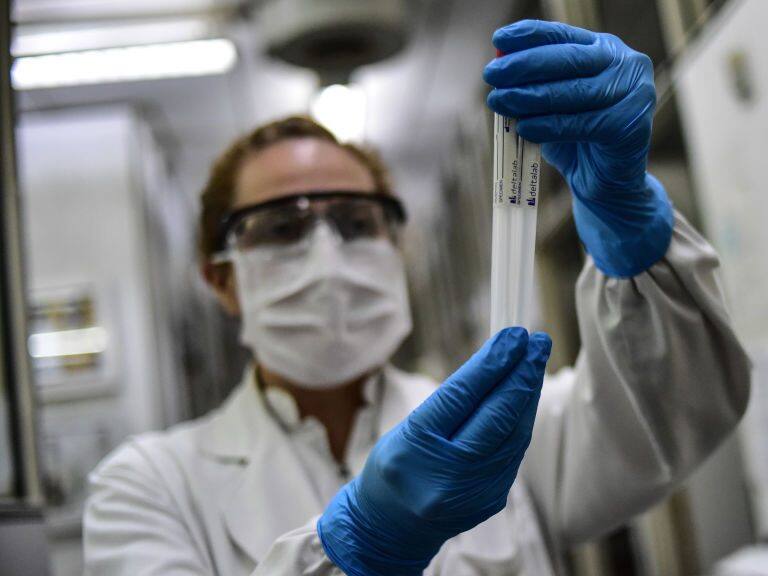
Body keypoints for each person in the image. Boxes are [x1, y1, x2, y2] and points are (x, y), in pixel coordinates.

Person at [83, 20, 751, 576]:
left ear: (394, 248)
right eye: (282, 228)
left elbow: (676, 410)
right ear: (221, 279)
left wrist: (629, 226)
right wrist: (360, 545)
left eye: (355, 221)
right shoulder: (149, 488)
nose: (326, 256)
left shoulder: (514, 428)